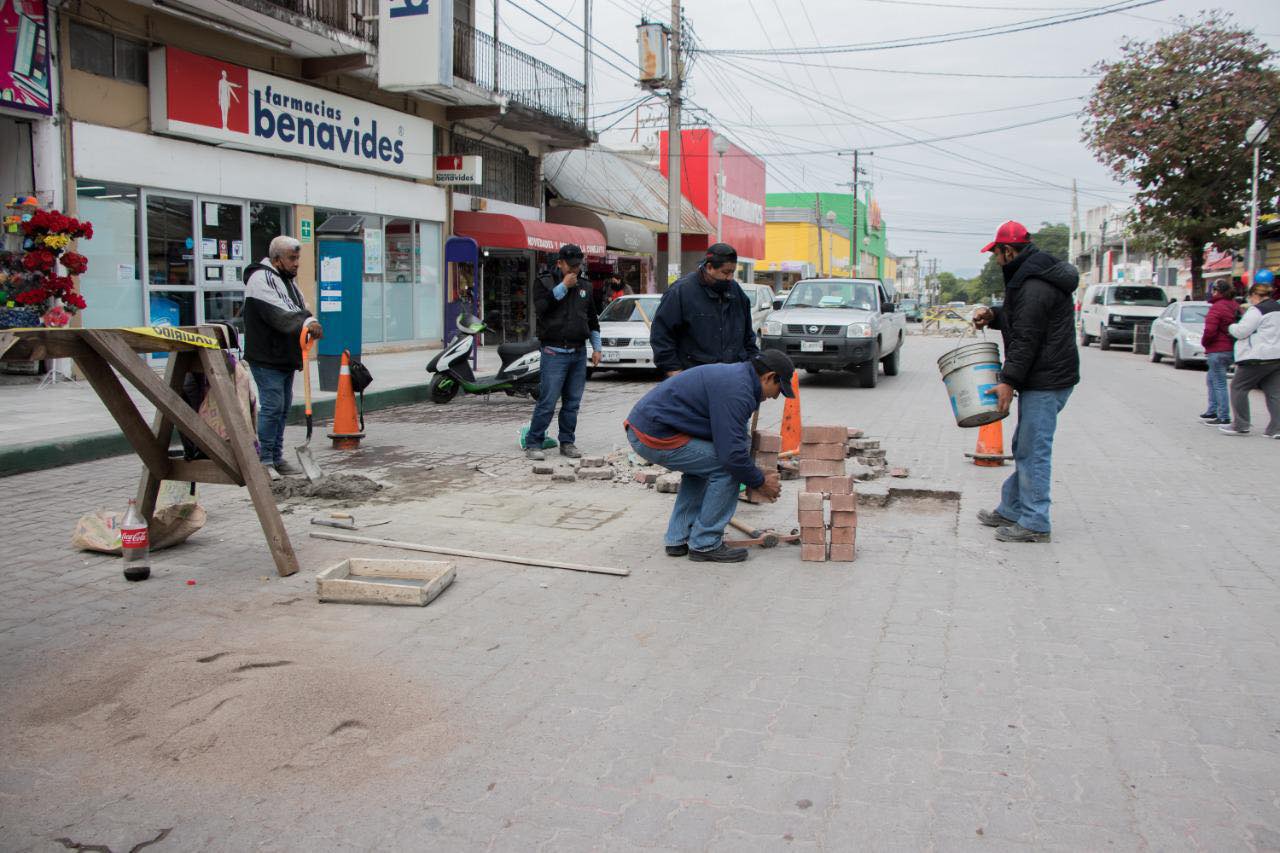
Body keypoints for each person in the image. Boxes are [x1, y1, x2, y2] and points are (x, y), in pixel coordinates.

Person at [625, 351, 792, 562]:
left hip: (652, 427)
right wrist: (759, 481)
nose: (776, 396)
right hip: (653, 434)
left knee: (704, 467)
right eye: (779, 389)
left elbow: (737, 438)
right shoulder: (737, 390)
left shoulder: (740, 380)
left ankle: (678, 538)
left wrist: (753, 471)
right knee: (726, 469)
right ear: (768, 376)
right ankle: (705, 543)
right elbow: (732, 456)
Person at [971, 220, 1080, 543]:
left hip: (1046, 380)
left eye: (997, 254)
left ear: (1008, 250)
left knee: (1034, 450)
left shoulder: (1034, 284)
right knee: (1025, 445)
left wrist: (1008, 380)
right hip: (1045, 377)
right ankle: (1012, 507)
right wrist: (993, 315)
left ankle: (1035, 521)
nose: (996, 260)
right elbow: (1019, 318)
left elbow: (1026, 338)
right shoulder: (1030, 278)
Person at [243, 235, 322, 476]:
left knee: (283, 407)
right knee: (272, 406)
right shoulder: (261, 279)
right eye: (292, 258)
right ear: (277, 259)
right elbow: (281, 313)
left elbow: (300, 307)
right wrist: (308, 323)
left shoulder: (286, 281)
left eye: (298, 258)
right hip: (267, 357)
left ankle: (276, 457)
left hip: (284, 357)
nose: (297, 263)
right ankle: (265, 460)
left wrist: (309, 320)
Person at [525, 244, 602, 461]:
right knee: (548, 401)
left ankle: (567, 442)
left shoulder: (585, 285)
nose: (575, 270)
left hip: (578, 353)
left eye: (578, 266)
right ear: (560, 263)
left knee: (572, 402)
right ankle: (534, 443)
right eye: (571, 265)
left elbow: (592, 320)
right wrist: (563, 287)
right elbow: (541, 308)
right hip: (554, 352)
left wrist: (597, 348)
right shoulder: (544, 282)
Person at [651, 243, 759, 377]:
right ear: (709, 267)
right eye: (725, 272)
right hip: (694, 377)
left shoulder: (736, 292)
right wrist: (673, 370)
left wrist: (753, 367)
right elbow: (661, 335)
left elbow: (748, 337)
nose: (730, 277)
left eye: (732, 272)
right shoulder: (681, 292)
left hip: (733, 376)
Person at [1220, 275, 1280, 438]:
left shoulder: (1257, 310)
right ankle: (1276, 428)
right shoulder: (1277, 308)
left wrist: (1232, 326)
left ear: (1255, 295)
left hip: (1257, 357)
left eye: (1250, 297)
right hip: (1276, 356)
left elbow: (1242, 331)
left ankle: (1241, 424)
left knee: (1238, 387)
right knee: (1274, 392)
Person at [1199, 280, 1239, 425]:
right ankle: (1212, 410)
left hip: (1217, 349)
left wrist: (1205, 343)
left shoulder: (1217, 307)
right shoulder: (1235, 306)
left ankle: (1223, 416)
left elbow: (1210, 330)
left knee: (1219, 382)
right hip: (1231, 347)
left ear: (1217, 291)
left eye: (1214, 290)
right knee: (1211, 379)